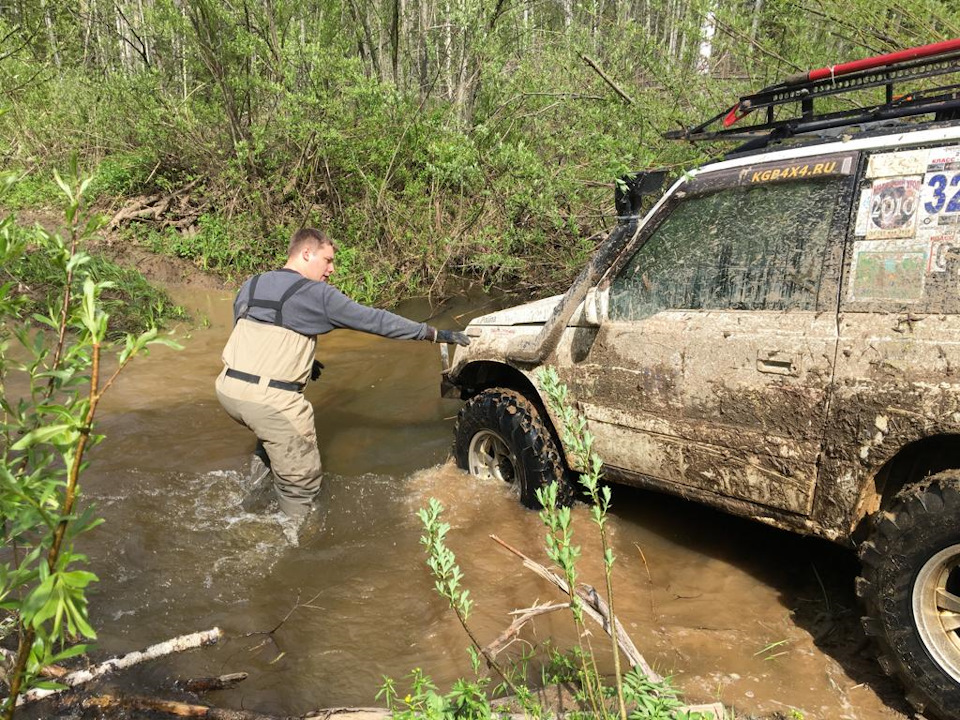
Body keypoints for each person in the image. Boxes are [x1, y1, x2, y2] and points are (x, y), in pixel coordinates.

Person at [215, 227, 469, 518]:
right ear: (306, 253)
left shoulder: (252, 284)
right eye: (327, 260)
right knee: (303, 484)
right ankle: (291, 543)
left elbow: (250, 328)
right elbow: (375, 320)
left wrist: (305, 362)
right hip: (269, 401)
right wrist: (433, 333)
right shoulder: (316, 294)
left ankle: (247, 503)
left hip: (229, 391)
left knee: (271, 440)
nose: (331, 269)